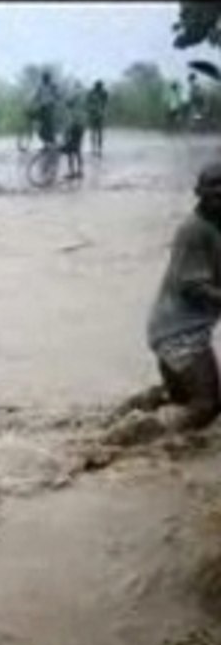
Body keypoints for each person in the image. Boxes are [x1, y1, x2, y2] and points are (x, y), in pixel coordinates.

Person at [112, 163, 221, 439]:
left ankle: (129, 414)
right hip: (181, 333)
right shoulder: (195, 230)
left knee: (181, 400)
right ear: (198, 191)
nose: (220, 193)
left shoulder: (214, 225)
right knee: (206, 405)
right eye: (214, 187)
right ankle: (133, 437)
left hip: (171, 327)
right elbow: (194, 285)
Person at [59, 92, 86, 180]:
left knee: (71, 152)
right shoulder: (78, 111)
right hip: (79, 130)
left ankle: (73, 172)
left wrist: (66, 136)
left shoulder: (72, 112)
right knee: (77, 151)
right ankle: (79, 171)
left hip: (75, 130)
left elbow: (69, 125)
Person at [31, 71, 61, 146]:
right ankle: (46, 141)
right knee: (42, 124)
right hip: (43, 107)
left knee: (48, 124)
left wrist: (57, 97)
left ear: (49, 79)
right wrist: (33, 101)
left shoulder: (52, 86)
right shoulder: (40, 87)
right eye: (44, 78)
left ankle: (51, 139)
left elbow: (57, 95)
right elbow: (37, 95)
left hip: (50, 107)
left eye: (46, 78)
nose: (45, 79)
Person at [85, 80, 108, 156]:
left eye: (100, 86)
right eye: (99, 86)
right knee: (95, 133)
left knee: (97, 133)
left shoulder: (103, 93)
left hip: (98, 115)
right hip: (95, 114)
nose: (99, 87)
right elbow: (87, 103)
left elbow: (105, 104)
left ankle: (97, 149)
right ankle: (95, 149)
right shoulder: (93, 93)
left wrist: (102, 111)